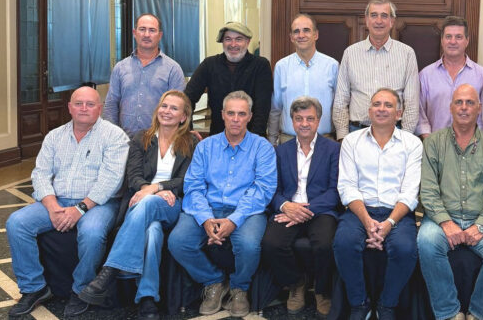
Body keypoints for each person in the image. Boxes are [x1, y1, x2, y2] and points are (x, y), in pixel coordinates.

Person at [6, 86, 129, 317]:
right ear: (70, 107)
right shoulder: (54, 136)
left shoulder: (115, 136)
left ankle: (82, 290)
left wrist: (80, 208)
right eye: (78, 104)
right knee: (17, 223)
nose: (84, 108)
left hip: (99, 204)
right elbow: (40, 174)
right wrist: (52, 207)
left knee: (92, 233)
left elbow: (111, 180)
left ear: (99, 108)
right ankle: (34, 288)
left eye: (90, 104)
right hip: (58, 199)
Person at [79, 90, 197, 320]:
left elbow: (187, 180)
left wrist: (156, 188)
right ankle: (147, 298)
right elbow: (132, 175)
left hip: (172, 203)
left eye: (174, 108)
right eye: (164, 106)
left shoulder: (191, 142)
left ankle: (111, 270)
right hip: (140, 201)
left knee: (150, 202)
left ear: (184, 117)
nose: (167, 111)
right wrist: (145, 189)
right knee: (152, 232)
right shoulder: (141, 138)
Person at [167, 91, 277, 317]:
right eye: (231, 113)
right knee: (178, 241)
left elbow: (263, 190)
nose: (236, 119)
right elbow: (193, 186)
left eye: (241, 114)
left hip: (246, 211)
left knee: (248, 244)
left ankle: (239, 288)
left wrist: (233, 220)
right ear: (222, 115)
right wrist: (206, 219)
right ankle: (213, 281)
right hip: (207, 207)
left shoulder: (262, 147)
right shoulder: (205, 147)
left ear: (250, 117)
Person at [418, 84, 483, 320]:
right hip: (442, 218)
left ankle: (479, 314)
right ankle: (449, 313)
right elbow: (428, 191)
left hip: (481, 219)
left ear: (479, 108)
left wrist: (481, 225)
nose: (464, 107)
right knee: (427, 242)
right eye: (459, 102)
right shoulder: (433, 143)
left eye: (470, 103)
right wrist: (445, 222)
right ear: (451, 107)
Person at [333, 88, 422, 320]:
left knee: (405, 248)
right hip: (360, 210)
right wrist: (367, 221)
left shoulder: (412, 144)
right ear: (369, 110)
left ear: (399, 113)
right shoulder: (351, 141)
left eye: (388, 105)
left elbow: (410, 192)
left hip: (397, 212)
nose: (382, 109)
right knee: (344, 243)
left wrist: (389, 223)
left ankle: (386, 305)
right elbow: (347, 186)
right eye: (377, 104)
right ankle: (359, 303)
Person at [261, 96, 341, 317]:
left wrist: (305, 210)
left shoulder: (333, 149)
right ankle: (296, 284)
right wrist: (286, 206)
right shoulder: (280, 151)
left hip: (321, 209)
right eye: (299, 119)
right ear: (292, 121)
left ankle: (322, 291)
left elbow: (335, 191)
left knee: (325, 244)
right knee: (270, 244)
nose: (304, 123)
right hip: (289, 209)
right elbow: (272, 190)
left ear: (319, 121)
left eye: (310, 119)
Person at [332, 0, 419, 140]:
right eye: (374, 15)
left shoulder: (407, 54)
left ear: (392, 21)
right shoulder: (350, 53)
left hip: (394, 133)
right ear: (367, 20)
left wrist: (406, 137)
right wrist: (342, 137)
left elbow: (412, 102)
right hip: (356, 132)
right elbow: (341, 100)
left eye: (384, 16)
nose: (379, 21)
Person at [103, 13, 186, 137]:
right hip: (124, 141)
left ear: (160, 35)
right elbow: (111, 105)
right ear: (134, 33)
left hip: (159, 141)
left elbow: (179, 107)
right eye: (142, 29)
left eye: (152, 30)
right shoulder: (120, 68)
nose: (146, 34)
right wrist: (112, 137)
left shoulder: (173, 69)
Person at [185, 21, 273, 136]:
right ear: (222, 42)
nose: (233, 44)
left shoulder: (260, 65)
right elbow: (187, 98)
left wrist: (254, 140)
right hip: (217, 138)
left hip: (252, 138)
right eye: (228, 39)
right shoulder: (209, 65)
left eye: (238, 39)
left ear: (247, 42)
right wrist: (186, 130)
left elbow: (263, 108)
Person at [268, 13, 339, 145]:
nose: (301, 35)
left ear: (316, 35)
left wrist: (341, 139)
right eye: (296, 31)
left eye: (306, 30)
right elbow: (275, 108)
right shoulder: (281, 67)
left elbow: (339, 106)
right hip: (288, 141)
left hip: (324, 141)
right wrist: (272, 141)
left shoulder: (332, 66)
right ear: (291, 37)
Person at [416, 16, 483, 139]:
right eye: (448, 36)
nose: (453, 41)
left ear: (467, 41)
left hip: (473, 146)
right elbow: (420, 114)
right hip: (434, 144)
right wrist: (431, 142)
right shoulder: (425, 75)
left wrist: (476, 142)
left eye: (458, 37)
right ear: (442, 40)